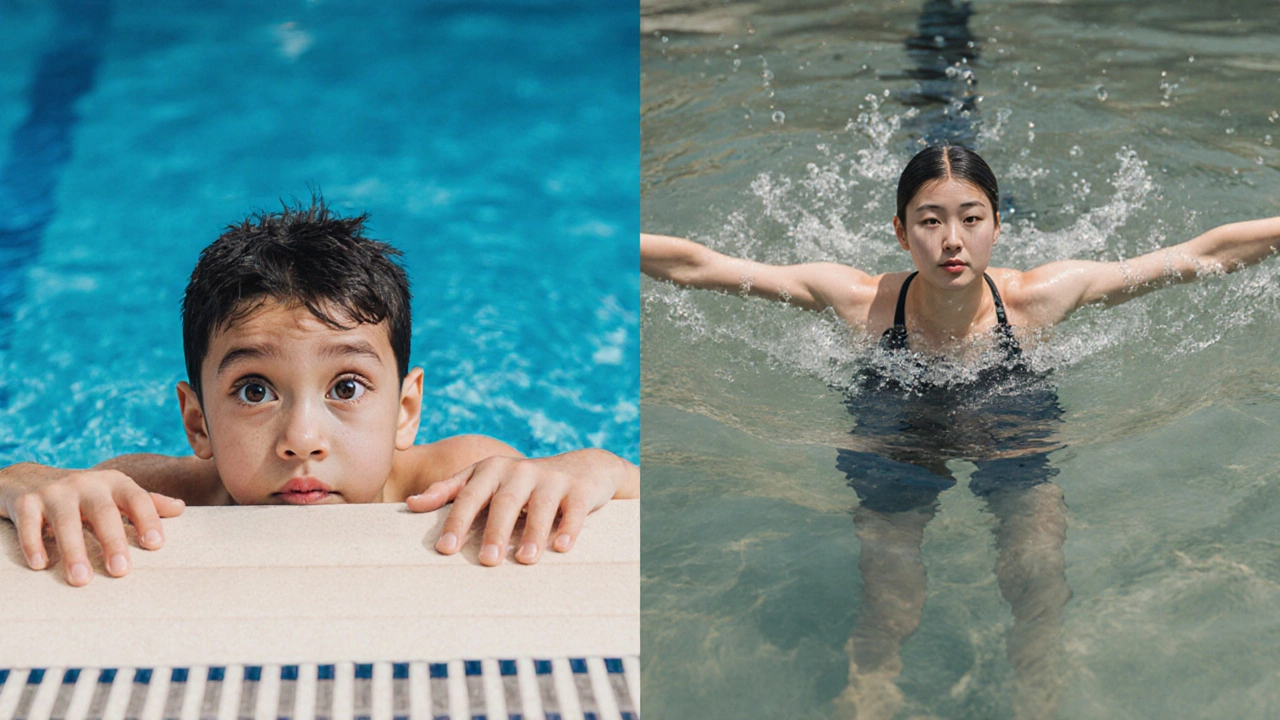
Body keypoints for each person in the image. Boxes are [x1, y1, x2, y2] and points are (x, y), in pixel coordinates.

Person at [642, 144, 1280, 719]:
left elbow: (1202, 255)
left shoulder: (1037, 299)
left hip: (1012, 420)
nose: (952, 240)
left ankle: (1038, 691)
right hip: (896, 424)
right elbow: (702, 266)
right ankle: (870, 689)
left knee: (1037, 568)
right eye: (930, 221)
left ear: (998, 227)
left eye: (971, 219)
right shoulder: (862, 302)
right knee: (889, 587)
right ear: (901, 232)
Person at [0, 198, 639, 587]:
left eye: (346, 386)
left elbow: (635, 493)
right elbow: (41, 491)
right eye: (255, 391)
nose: (302, 440)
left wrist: (593, 469)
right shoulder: (159, 495)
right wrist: (26, 481)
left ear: (405, 411)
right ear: (197, 423)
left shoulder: (460, 475)